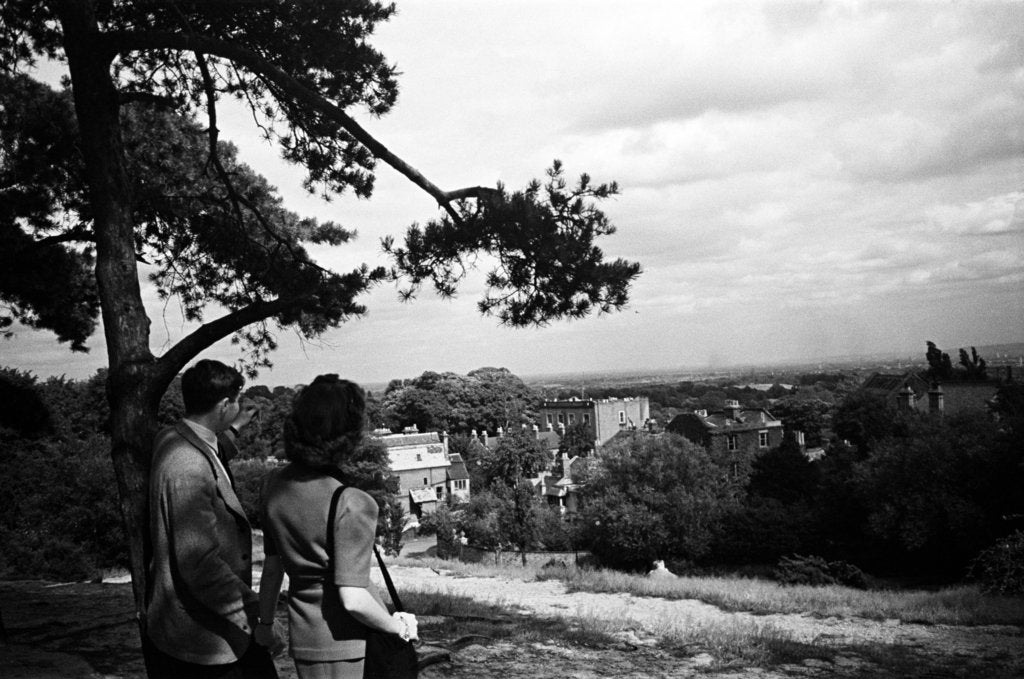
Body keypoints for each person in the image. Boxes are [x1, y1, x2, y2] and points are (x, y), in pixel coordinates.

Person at [258, 374, 417, 679]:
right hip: (349, 643)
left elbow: (273, 567)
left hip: (305, 638)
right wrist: (400, 627)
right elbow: (354, 599)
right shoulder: (352, 502)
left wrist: (265, 624)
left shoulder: (272, 486)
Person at [145, 359, 282, 678]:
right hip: (205, 639)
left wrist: (235, 428)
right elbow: (200, 565)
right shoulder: (188, 468)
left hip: (202, 629)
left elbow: (210, 454)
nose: (238, 404)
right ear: (224, 404)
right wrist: (258, 618)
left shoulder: (172, 438)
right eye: (235, 400)